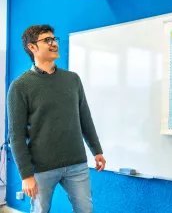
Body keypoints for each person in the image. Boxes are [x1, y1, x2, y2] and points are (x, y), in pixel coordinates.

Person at [7, 24, 106, 213]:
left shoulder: (72, 79)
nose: (54, 44)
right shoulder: (20, 86)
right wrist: (26, 175)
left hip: (76, 162)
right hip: (41, 167)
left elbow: (85, 117)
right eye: (47, 40)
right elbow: (16, 135)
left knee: (86, 209)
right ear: (32, 47)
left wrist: (97, 150)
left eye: (54, 39)